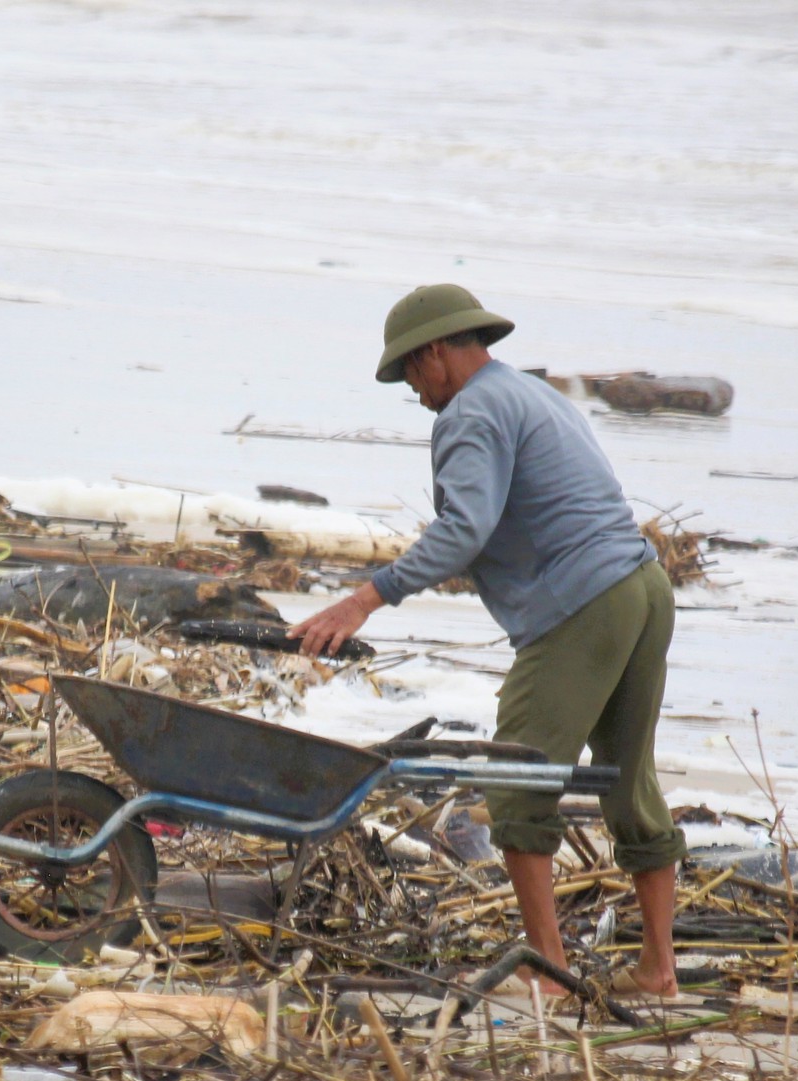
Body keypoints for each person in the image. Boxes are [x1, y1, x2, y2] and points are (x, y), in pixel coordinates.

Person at [289, 284, 682, 997]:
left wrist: (365, 598)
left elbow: (464, 529)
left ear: (436, 351)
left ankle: (550, 976)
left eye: (411, 371)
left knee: (515, 785)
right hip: (644, 586)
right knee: (629, 780)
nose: (413, 389)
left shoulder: (469, 412)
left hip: (585, 602)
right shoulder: (534, 396)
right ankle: (658, 971)